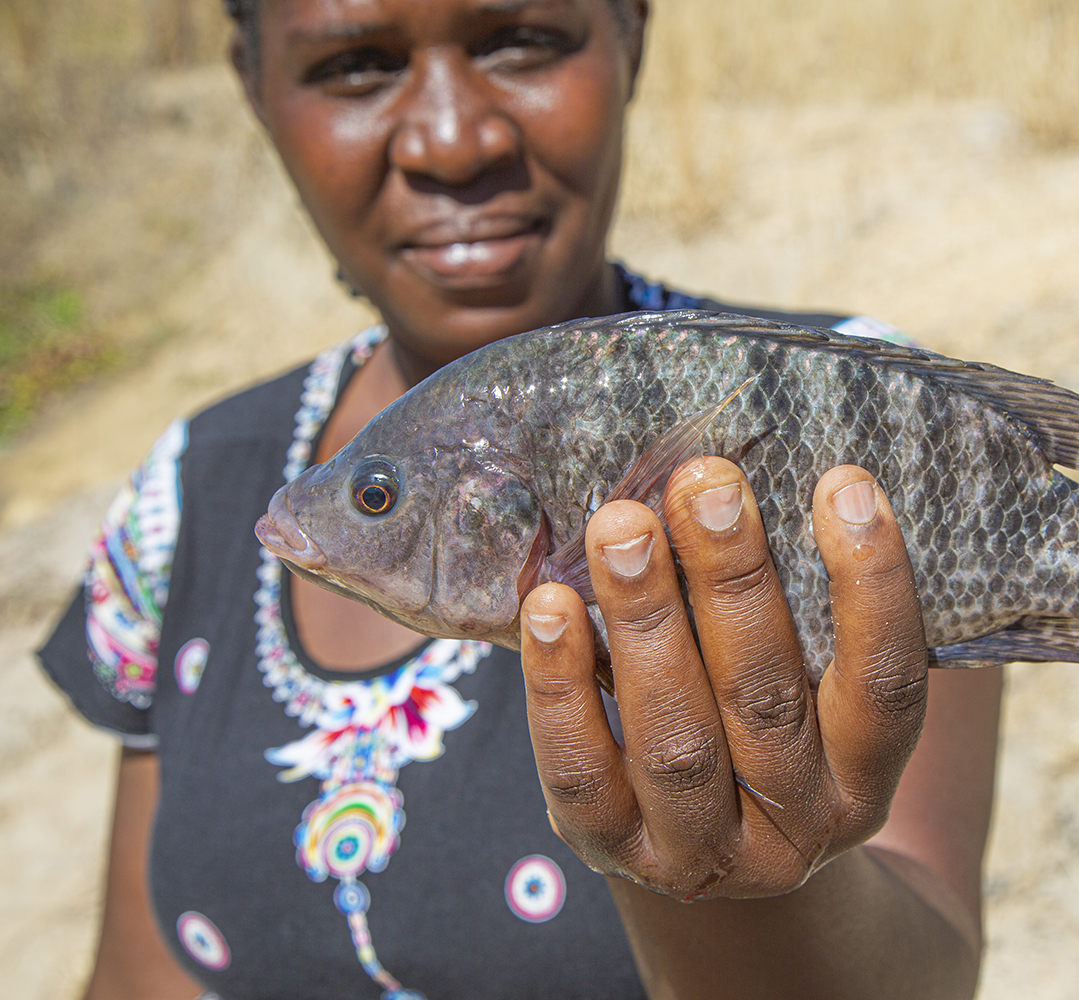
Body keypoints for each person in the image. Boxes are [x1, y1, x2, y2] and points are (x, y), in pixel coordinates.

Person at [38, 1, 1004, 997]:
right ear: (253, 85)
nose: (455, 142)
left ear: (632, 35)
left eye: (521, 39)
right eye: (356, 64)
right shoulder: (187, 489)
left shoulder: (861, 417)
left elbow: (928, 970)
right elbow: (138, 976)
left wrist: (749, 868)